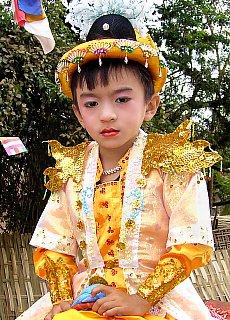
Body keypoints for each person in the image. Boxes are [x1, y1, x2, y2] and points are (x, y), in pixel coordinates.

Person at [18, 12, 222, 320]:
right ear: (78, 113)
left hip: (155, 300)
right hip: (83, 300)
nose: (107, 115)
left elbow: (190, 242)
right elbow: (55, 246)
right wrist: (61, 297)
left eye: (122, 99)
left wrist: (141, 299)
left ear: (150, 105)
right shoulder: (70, 172)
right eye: (91, 103)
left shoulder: (173, 166)